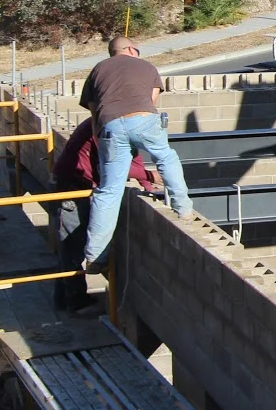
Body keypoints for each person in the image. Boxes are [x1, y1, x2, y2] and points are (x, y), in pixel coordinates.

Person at [80, 36, 193, 271]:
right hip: (143, 120)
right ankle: (183, 210)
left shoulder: (98, 69)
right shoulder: (146, 66)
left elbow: (94, 112)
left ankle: (95, 257)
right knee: (165, 156)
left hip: (109, 126)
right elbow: (151, 102)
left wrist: (102, 142)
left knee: (109, 191)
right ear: (131, 49)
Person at [52, 118, 156, 312]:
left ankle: (65, 300)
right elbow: (109, 165)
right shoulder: (104, 128)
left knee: (70, 249)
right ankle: (74, 302)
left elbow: (134, 160)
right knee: (72, 248)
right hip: (72, 190)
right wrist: (149, 176)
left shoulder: (120, 126)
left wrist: (148, 186)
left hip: (82, 188)